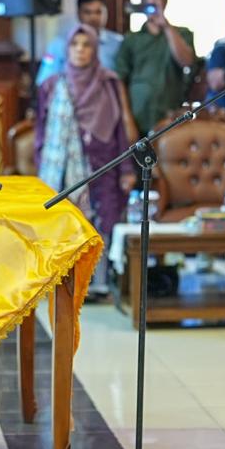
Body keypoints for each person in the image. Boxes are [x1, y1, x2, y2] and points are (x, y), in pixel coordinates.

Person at [36, 25, 137, 298]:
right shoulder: (51, 85)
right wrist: (41, 165)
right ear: (67, 49)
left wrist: (126, 170)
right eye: (75, 44)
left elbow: (119, 129)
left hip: (102, 164)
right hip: (60, 169)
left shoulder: (108, 83)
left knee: (100, 223)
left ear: (95, 50)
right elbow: (42, 132)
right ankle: (62, 282)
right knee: (62, 224)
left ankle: (97, 283)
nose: (80, 50)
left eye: (86, 45)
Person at [115, 0, 196, 135]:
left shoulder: (182, 34)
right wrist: (126, 118)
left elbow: (186, 61)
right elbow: (120, 80)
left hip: (170, 116)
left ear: (165, 1)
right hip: (138, 116)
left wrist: (166, 26)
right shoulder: (132, 39)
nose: (151, 2)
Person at [36, 0, 124, 85]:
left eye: (98, 12)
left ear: (106, 13)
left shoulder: (118, 43)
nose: (93, 17)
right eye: (87, 12)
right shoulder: (59, 43)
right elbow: (45, 81)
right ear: (78, 14)